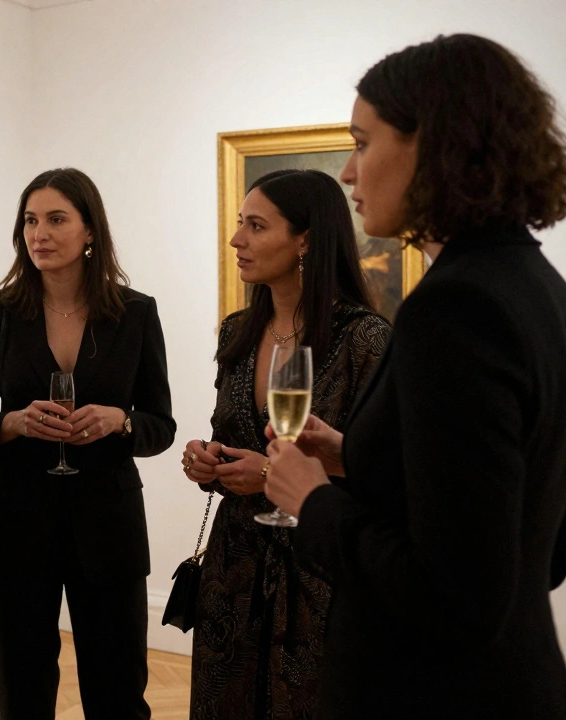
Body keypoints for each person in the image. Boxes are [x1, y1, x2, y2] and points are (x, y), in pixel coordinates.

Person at [263, 34, 566, 719]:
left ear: (434, 143)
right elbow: (535, 545)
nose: (347, 171)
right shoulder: (537, 286)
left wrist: (313, 501)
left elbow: (455, 597)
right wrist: (360, 457)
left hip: (434, 691)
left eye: (363, 143)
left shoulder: (456, 308)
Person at [0, 167, 175, 719]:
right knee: (22, 689)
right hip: (15, 525)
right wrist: (13, 424)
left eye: (56, 219)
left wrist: (120, 421)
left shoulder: (136, 312)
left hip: (109, 524)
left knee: (119, 690)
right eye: (30, 220)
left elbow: (160, 426)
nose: (39, 234)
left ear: (89, 231)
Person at [179, 169, 390, 719]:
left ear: (306, 240)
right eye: (239, 223)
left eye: (255, 225)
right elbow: (231, 432)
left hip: (319, 573)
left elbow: (386, 472)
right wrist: (209, 460)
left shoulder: (364, 338)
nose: (236, 240)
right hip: (233, 571)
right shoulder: (236, 330)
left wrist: (272, 477)